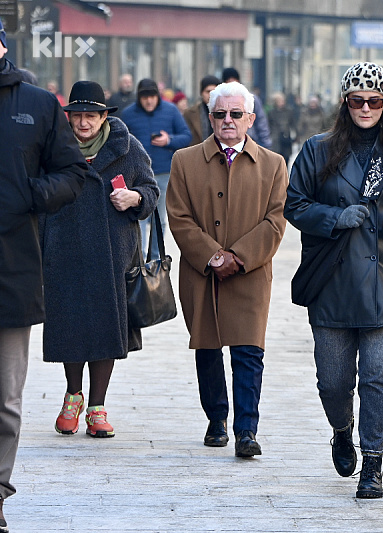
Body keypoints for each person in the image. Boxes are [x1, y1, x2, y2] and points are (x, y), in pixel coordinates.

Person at [284, 62, 383, 499]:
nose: (365, 107)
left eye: (374, 100)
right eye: (357, 100)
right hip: (331, 282)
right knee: (333, 381)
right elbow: (293, 205)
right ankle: (341, 428)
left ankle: (373, 462)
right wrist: (334, 217)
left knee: (377, 378)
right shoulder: (317, 149)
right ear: (344, 103)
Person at [166, 81, 288, 458]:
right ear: (210, 117)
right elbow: (179, 217)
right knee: (207, 346)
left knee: (249, 350)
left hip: (251, 272)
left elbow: (276, 220)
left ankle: (247, 430)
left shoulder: (273, 164)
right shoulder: (184, 161)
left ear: (250, 119)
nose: (228, 121)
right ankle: (216, 419)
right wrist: (211, 256)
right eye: (220, 114)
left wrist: (237, 256)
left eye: (236, 114)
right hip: (201, 273)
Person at [0, 22, 87, 531]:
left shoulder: (37, 103)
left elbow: (75, 173)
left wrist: (30, 196)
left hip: (12, 268)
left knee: (5, 401)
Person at [42, 81, 159, 439]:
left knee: (107, 327)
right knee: (70, 327)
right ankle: (72, 396)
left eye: (90, 115)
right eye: (77, 116)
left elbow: (152, 190)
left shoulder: (128, 148)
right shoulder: (54, 149)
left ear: (104, 116)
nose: (82, 123)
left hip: (111, 252)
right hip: (63, 250)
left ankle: (96, 407)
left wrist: (135, 198)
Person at [120, 78, 191, 257]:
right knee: (139, 217)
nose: (149, 101)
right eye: (145, 97)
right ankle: (141, 257)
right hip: (135, 176)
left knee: (160, 218)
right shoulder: (128, 114)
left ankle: (155, 256)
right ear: (139, 98)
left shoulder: (171, 111)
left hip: (163, 173)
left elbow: (186, 136)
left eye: (152, 96)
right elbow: (118, 142)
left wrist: (169, 141)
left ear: (158, 96)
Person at [221, 67, 272, 149]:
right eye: (229, 82)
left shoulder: (250, 98)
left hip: (250, 143)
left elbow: (261, 123)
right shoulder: (220, 100)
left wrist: (265, 145)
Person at [183, 75, 220, 146]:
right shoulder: (189, 113)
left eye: (214, 92)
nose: (211, 95)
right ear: (202, 93)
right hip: (197, 153)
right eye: (208, 91)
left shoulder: (226, 113)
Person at [268, 91, 294, 164]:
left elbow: (292, 124)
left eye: (282, 100)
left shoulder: (289, 111)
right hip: (276, 139)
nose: (281, 103)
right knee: (276, 159)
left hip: (286, 138)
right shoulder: (271, 112)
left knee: (286, 158)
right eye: (278, 101)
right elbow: (269, 125)